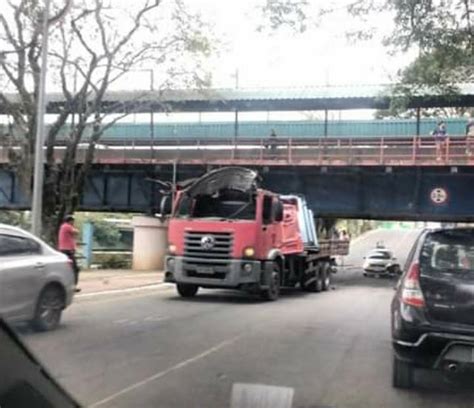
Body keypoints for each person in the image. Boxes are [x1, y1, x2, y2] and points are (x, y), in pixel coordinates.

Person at [58, 214, 81, 292]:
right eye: (73, 221)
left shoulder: (62, 226)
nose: (73, 223)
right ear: (70, 221)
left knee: (65, 268)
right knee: (75, 269)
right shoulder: (67, 226)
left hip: (63, 250)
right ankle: (73, 286)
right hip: (68, 251)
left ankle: (65, 285)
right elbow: (77, 232)